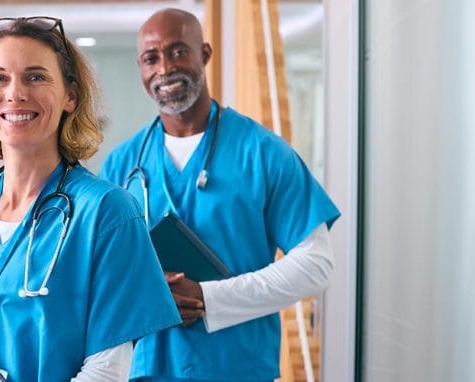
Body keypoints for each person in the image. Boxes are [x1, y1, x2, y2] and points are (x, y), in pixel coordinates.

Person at [0, 16, 180, 381]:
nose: (15, 93)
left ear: (71, 95)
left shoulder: (106, 212)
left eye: (36, 76)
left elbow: (108, 366)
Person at [99, 8, 341, 381]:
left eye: (178, 51)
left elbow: (316, 265)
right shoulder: (121, 165)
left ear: (205, 54)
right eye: (151, 58)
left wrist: (209, 298)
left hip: (238, 366)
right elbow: (102, 272)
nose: (164, 69)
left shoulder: (263, 153)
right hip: (145, 369)